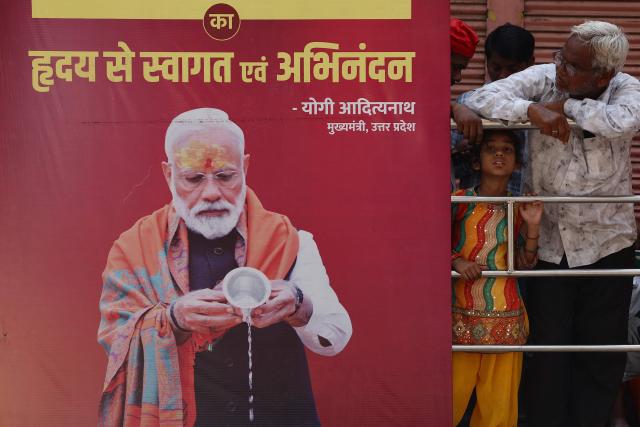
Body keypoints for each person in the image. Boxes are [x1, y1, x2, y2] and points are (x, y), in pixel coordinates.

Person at [97, 108, 353, 427]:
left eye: (225, 175)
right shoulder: (134, 249)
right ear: (168, 174)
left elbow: (337, 337)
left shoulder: (290, 242)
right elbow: (115, 337)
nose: (212, 193)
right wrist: (173, 319)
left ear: (244, 167)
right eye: (193, 178)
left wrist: (298, 304)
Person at [462, 21, 640, 426]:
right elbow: (479, 96)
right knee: (546, 354)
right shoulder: (544, 78)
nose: (560, 69)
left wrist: (565, 109)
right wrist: (531, 110)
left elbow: (624, 121)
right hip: (545, 247)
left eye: (573, 65)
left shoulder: (627, 88)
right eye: (561, 57)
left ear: (604, 74)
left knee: (600, 355)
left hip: (607, 247)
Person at [451, 129, 543, 426]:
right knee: (447, 403)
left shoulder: (517, 206)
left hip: (507, 318)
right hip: (457, 318)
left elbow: (526, 263)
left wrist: (532, 226)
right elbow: (427, 245)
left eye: (507, 150)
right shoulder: (458, 200)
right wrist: (457, 261)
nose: (500, 154)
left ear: (517, 163)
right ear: (476, 161)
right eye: (491, 149)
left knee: (498, 411)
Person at [452, 23, 535, 194]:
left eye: (512, 69)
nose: (503, 76)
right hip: (475, 215)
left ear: (529, 64)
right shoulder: (467, 104)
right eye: (496, 68)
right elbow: (447, 169)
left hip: (529, 214)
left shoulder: (543, 108)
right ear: (487, 62)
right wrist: (464, 152)